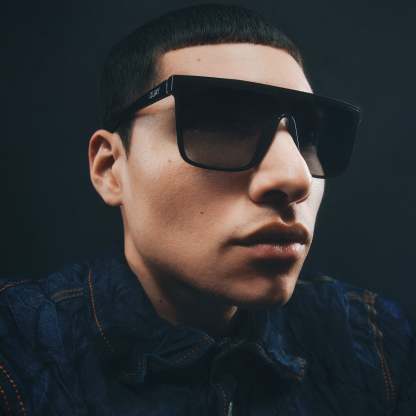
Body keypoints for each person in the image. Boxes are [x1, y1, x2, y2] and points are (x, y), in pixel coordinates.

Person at [0, 3, 414, 415]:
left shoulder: (372, 342)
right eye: (222, 126)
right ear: (110, 168)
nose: (295, 177)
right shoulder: (17, 350)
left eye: (306, 137)